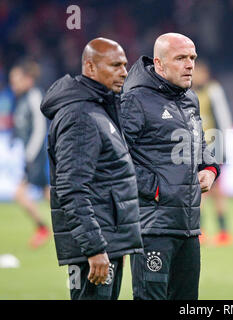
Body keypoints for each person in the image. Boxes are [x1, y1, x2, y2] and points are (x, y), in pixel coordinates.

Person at [40, 38, 143, 300]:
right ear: (90, 66)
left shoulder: (99, 107)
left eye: (125, 65)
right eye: (116, 65)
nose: (124, 72)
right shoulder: (80, 115)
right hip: (95, 250)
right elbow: (71, 188)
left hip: (108, 242)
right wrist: (94, 247)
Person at [120, 33, 220, 300]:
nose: (190, 65)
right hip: (152, 227)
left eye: (192, 58)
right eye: (181, 58)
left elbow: (200, 145)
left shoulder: (190, 99)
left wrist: (210, 169)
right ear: (159, 64)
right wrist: (155, 189)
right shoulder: (134, 100)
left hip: (188, 226)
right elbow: (117, 160)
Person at [9, 59, 50, 249]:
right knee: (48, 193)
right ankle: (63, 226)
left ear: (28, 79)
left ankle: (44, 228)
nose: (13, 84)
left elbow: (40, 128)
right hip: (32, 155)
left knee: (20, 193)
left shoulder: (34, 96)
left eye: (16, 79)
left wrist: (31, 155)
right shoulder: (22, 98)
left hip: (37, 154)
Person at [192, 59, 233, 246]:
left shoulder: (213, 90)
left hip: (214, 146)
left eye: (200, 72)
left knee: (216, 191)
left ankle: (224, 231)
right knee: (199, 192)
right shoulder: (188, 92)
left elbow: (224, 119)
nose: (197, 76)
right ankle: (200, 231)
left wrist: (224, 147)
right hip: (194, 148)